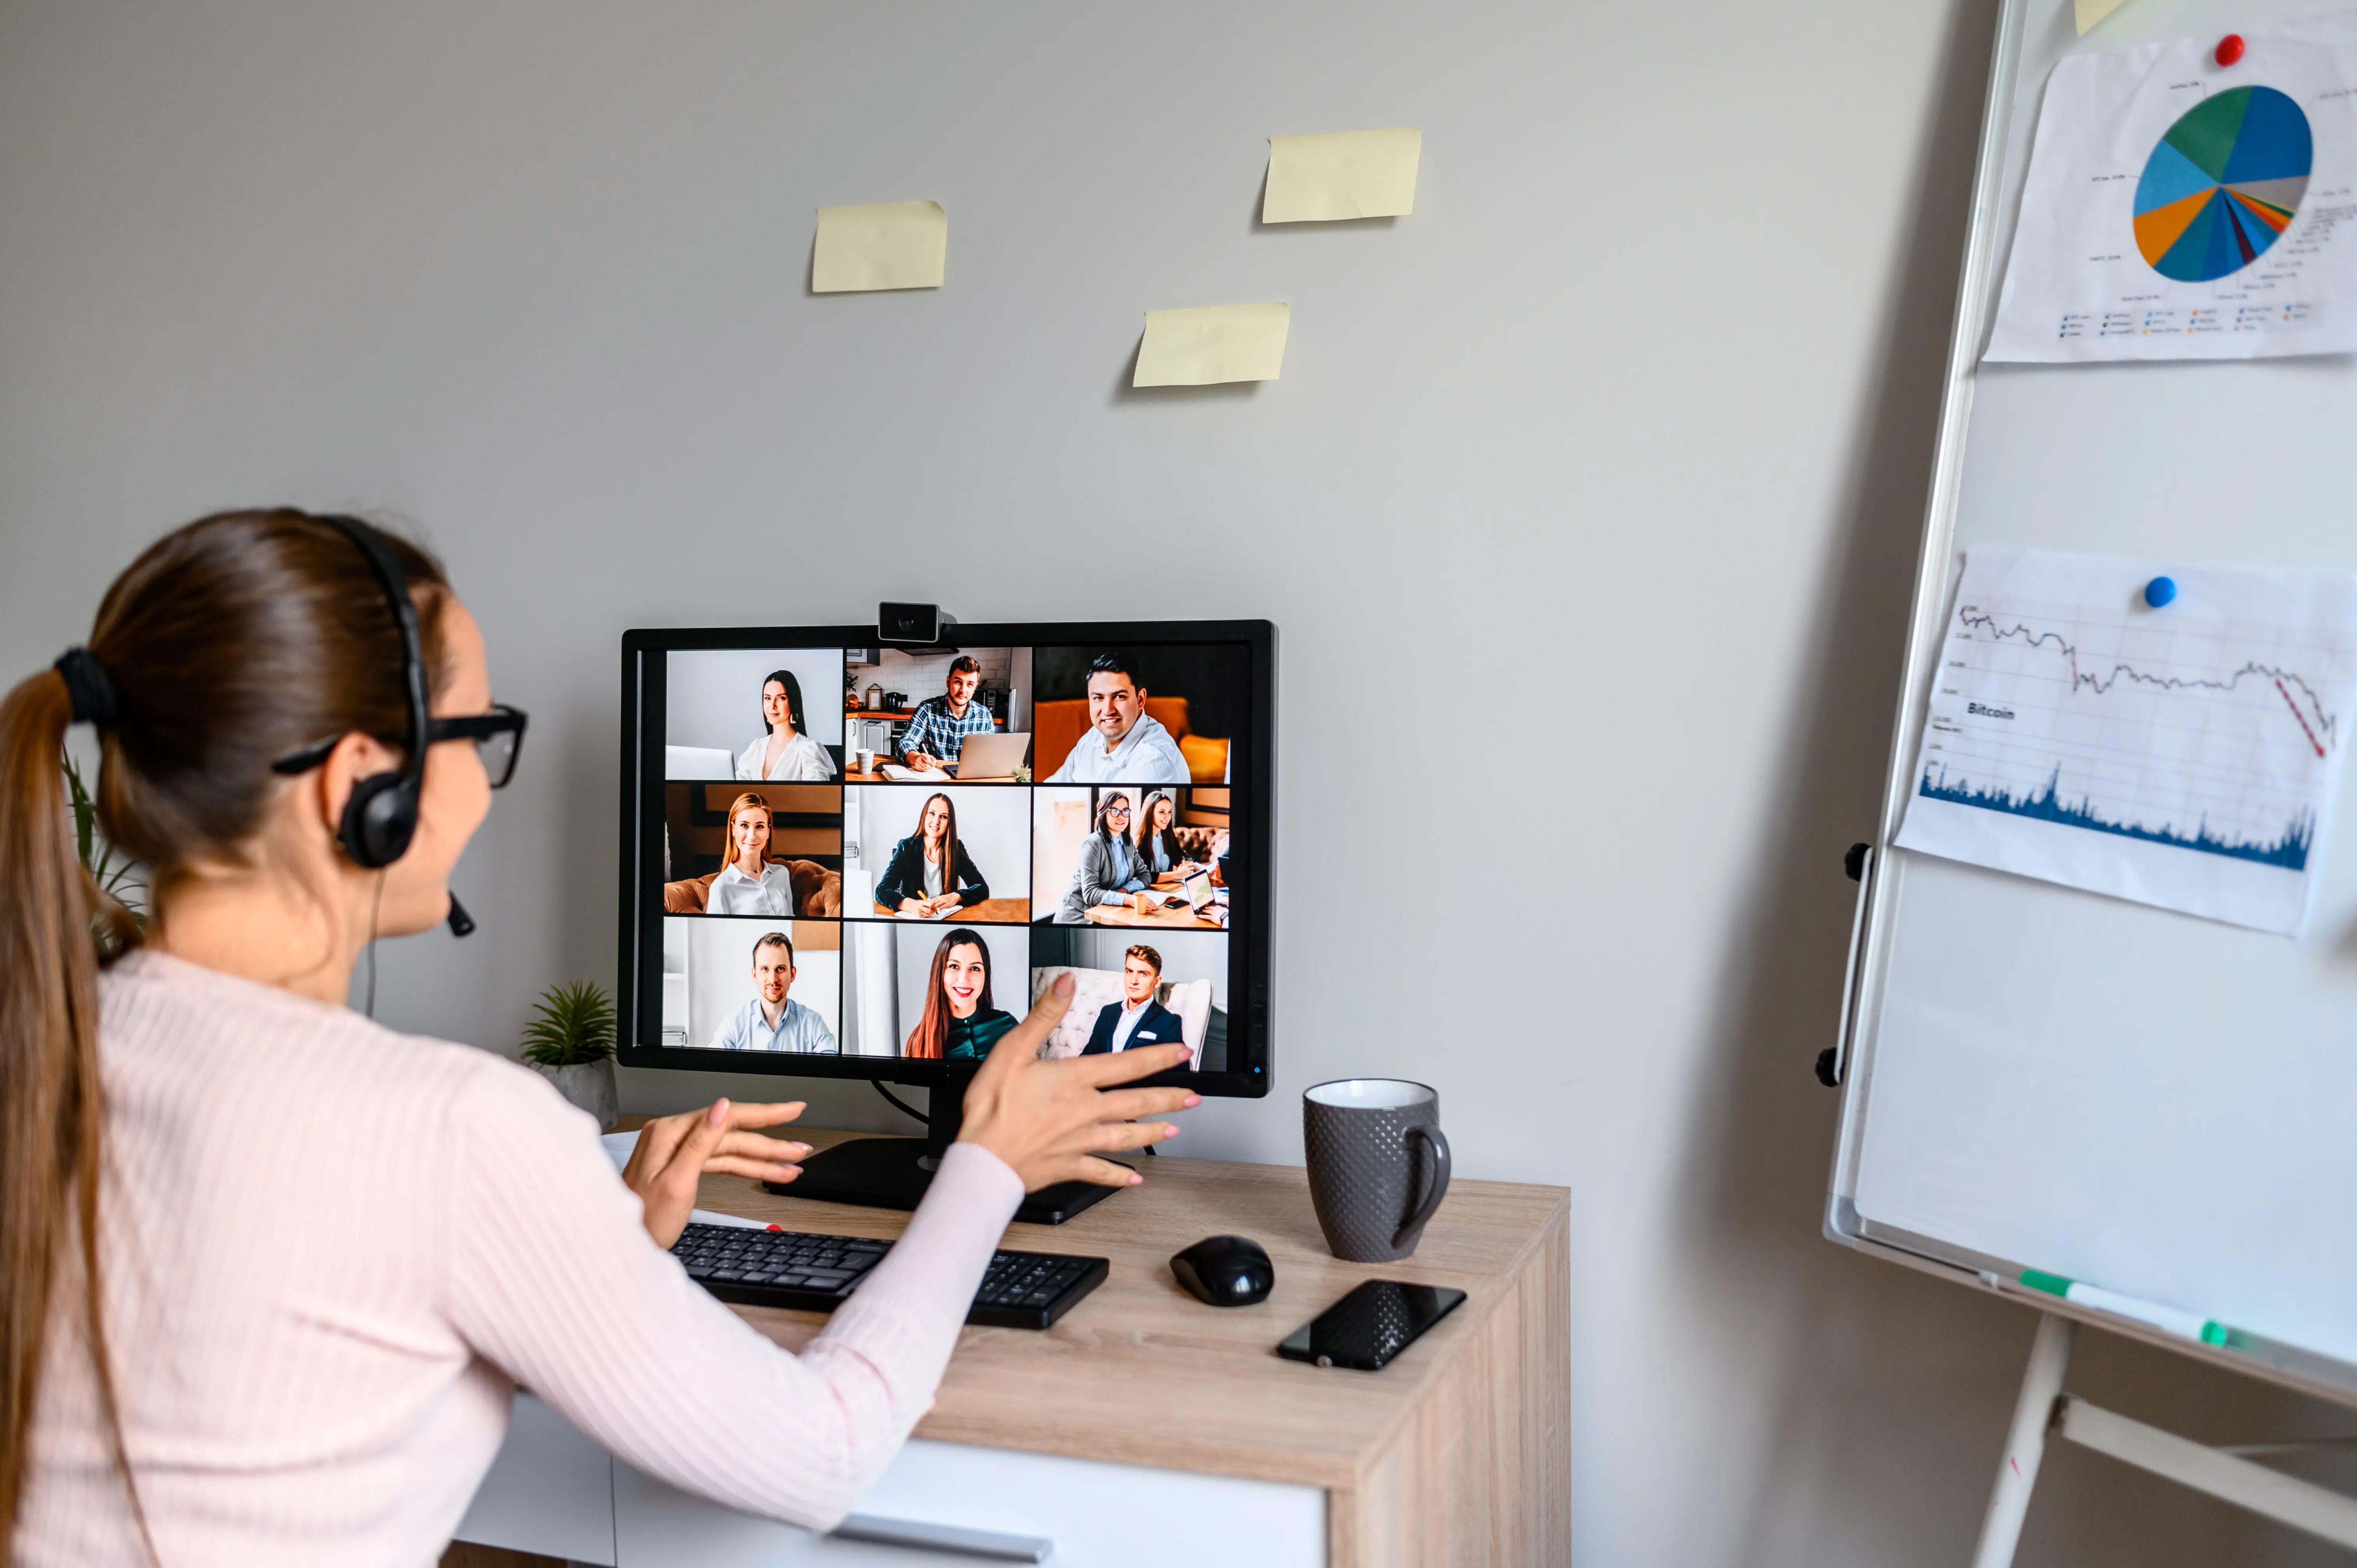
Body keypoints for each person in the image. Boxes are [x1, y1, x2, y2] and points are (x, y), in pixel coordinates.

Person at [0, 508, 1196, 1564]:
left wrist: (600, 1247)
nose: (485, 783)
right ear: (361, 787)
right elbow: (823, 1455)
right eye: (479, 733)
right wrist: (989, 1159)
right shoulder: (451, 1131)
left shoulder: (48, 1044)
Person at [1045, 653, 1187, 784]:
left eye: (1119, 697)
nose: (1108, 710)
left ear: (1141, 699)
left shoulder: (1153, 760)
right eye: (1099, 698)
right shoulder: (1093, 737)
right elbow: (1050, 790)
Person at [708, 932, 837, 1053]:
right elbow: (712, 1068)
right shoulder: (734, 1024)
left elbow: (831, 1073)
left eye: (780, 969)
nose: (773, 980)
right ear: (755, 975)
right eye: (765, 969)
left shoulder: (813, 1023)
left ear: (792, 974)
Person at [904, 929, 1018, 1060]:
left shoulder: (1008, 1026)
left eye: (975, 968)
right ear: (940, 973)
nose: (964, 979)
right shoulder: (919, 1042)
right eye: (954, 966)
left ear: (985, 976)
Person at [874, 791, 988, 917]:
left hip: (946, 918)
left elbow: (982, 888)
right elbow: (882, 891)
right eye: (932, 814)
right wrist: (911, 905)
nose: (936, 822)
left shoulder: (955, 849)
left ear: (949, 822)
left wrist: (957, 896)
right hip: (914, 920)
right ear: (925, 816)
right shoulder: (907, 848)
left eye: (943, 817)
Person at [1057, 791, 1148, 923]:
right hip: (1080, 914)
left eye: (1125, 811)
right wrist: (1128, 899)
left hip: (1108, 910)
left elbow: (1145, 875)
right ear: (1103, 814)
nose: (1121, 817)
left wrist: (1124, 891)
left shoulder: (1127, 841)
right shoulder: (1092, 844)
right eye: (1115, 812)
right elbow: (1090, 893)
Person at [1081, 946, 1188, 1057]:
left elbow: (1176, 1072)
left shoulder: (1169, 1023)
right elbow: (1087, 1058)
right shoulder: (1108, 1012)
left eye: (1143, 974)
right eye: (1129, 972)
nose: (1133, 981)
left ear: (1157, 982)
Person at [705, 791, 800, 916]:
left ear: (768, 832)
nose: (752, 836)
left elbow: (790, 923)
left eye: (760, 827)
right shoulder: (721, 887)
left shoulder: (782, 874)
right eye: (744, 825)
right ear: (733, 830)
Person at [897, 655, 997, 773]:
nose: (963, 691)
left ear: (975, 687)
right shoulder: (927, 709)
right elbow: (905, 743)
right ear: (948, 682)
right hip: (935, 777)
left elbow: (991, 756)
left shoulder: (984, 716)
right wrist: (915, 758)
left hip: (969, 780)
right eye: (958, 682)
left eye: (970, 684)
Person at [735, 669, 836, 781]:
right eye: (768, 698)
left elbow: (815, 793)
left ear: (794, 703)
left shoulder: (808, 750)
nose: (772, 706)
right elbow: (738, 788)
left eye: (781, 698)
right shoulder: (756, 748)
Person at [1132, 790, 1199, 883]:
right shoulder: (1139, 841)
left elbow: (1181, 857)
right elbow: (1143, 876)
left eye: (1169, 812)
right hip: (1147, 892)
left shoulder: (1168, 836)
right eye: (1162, 812)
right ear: (1150, 812)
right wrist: (1177, 875)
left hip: (1167, 889)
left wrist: (1203, 868)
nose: (1167, 817)